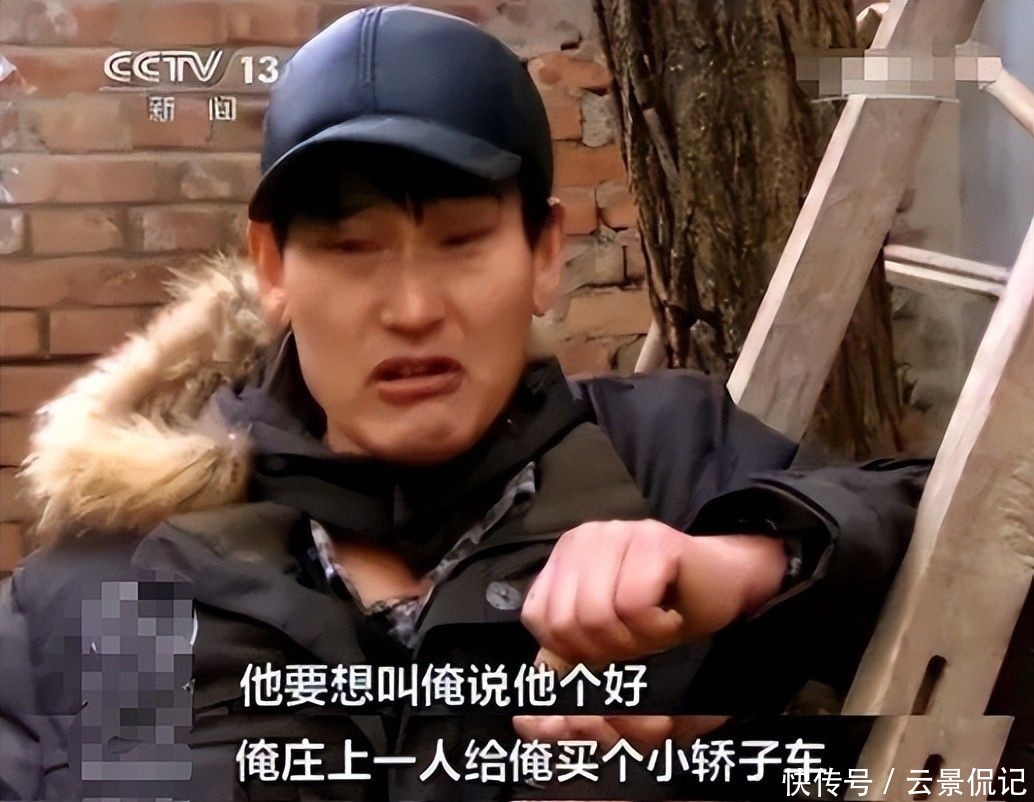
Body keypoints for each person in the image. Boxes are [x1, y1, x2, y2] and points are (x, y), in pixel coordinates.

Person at [0, 6, 929, 801]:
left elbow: (947, 537)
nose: (412, 311)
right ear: (273, 269)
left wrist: (747, 562)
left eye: (461, 241)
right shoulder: (111, 588)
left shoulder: (667, 461)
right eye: (353, 250)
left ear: (545, 254)